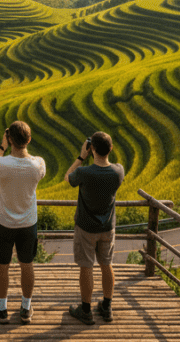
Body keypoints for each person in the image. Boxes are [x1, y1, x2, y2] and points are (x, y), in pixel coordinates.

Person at [0, 120, 46, 325]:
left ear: (9, 138)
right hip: (28, 222)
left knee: (2, 265)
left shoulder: (1, 163)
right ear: (29, 139)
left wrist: (2, 146)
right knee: (26, 264)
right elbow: (38, 170)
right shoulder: (38, 164)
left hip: (3, 221)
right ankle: (26, 308)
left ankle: (1, 309)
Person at [66, 130, 125, 325]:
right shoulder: (118, 171)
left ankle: (86, 310)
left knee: (86, 267)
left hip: (86, 228)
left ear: (92, 149)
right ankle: (107, 307)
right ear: (111, 149)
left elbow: (68, 177)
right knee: (106, 264)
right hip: (107, 227)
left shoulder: (84, 172)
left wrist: (81, 156)